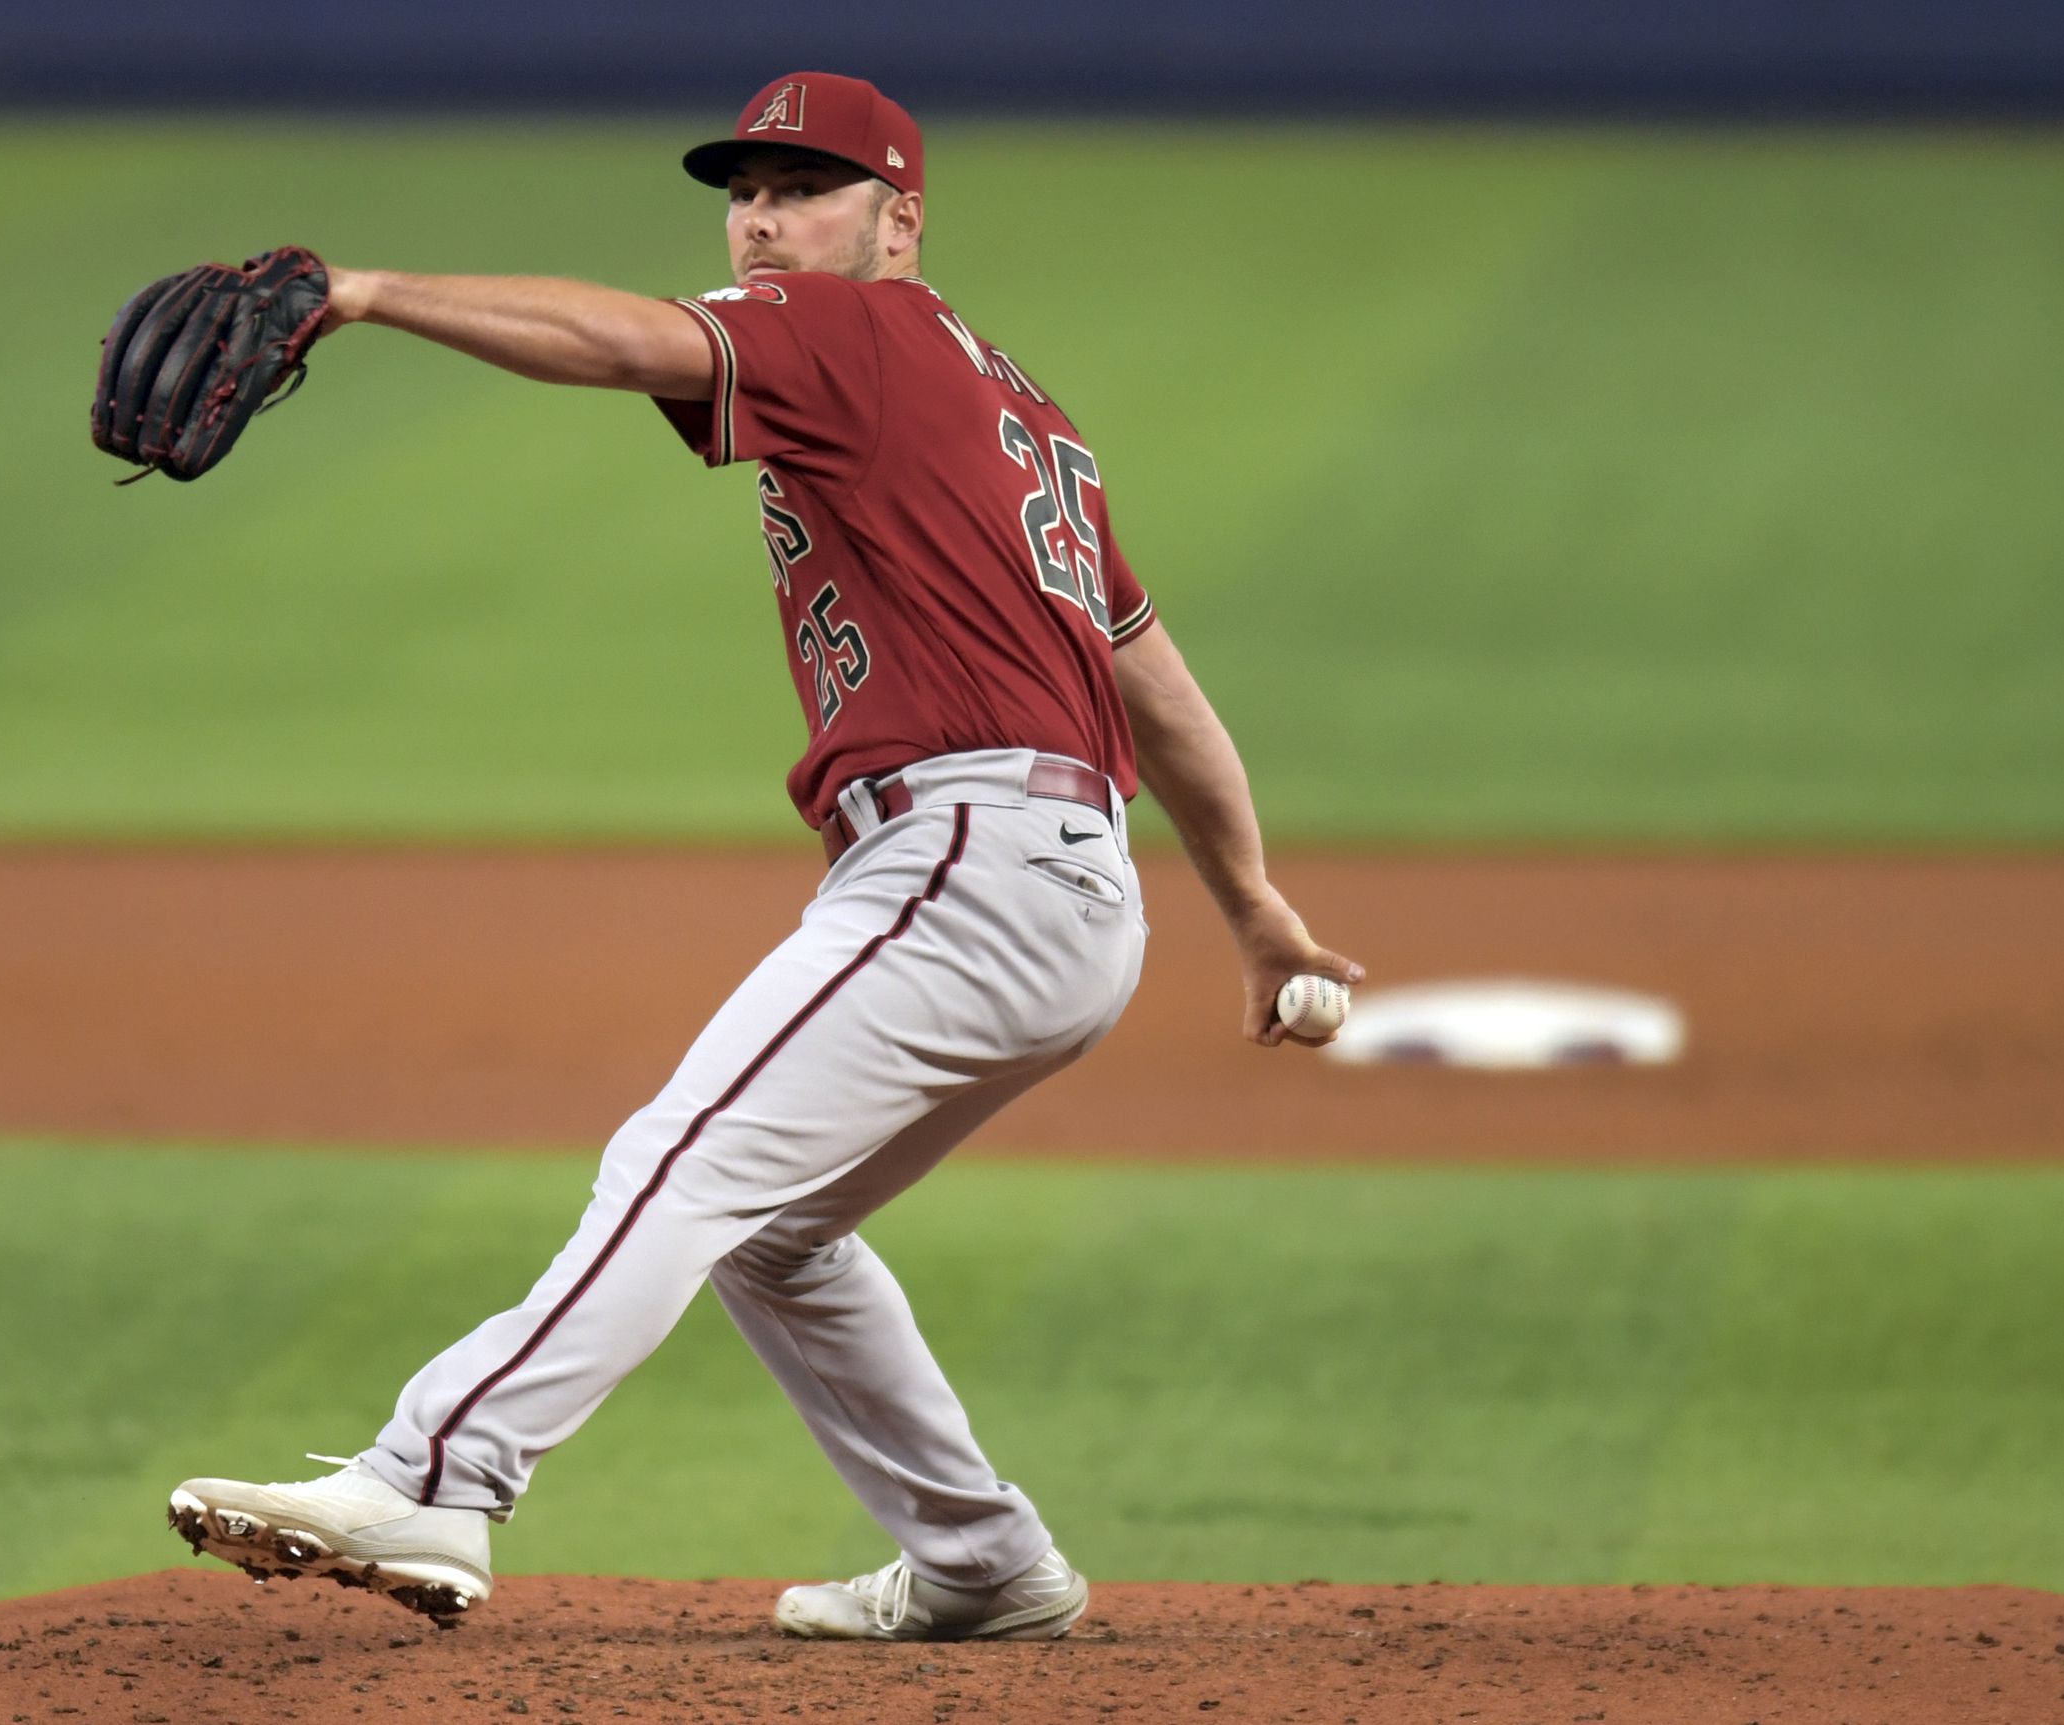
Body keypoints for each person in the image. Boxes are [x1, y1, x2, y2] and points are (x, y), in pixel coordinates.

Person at [167, 70, 1364, 1643]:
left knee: (684, 1155)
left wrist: (371, 294)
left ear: (901, 220)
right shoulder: (1014, 407)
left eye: (805, 189)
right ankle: (985, 1562)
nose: (764, 219)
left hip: (968, 866)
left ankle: (435, 1472)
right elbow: (1156, 680)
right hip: (1060, 891)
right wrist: (1257, 907)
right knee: (780, 1233)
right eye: (746, 192)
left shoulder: (853, 334)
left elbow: (623, 342)